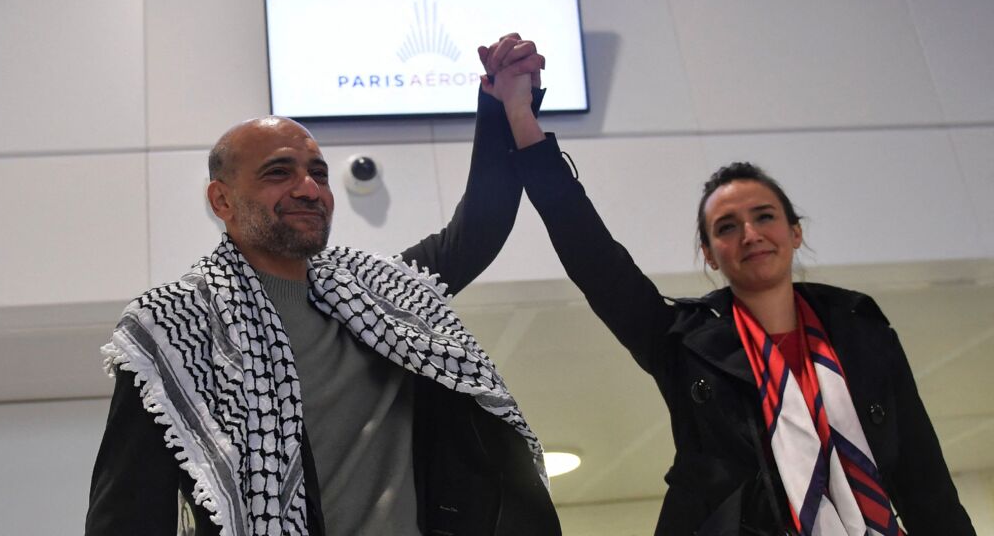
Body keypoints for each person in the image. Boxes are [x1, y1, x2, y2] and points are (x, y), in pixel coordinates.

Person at [482, 34, 974, 536]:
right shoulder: (685, 344)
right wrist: (521, 117)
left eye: (764, 216)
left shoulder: (863, 330)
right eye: (727, 227)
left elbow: (926, 483)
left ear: (795, 231)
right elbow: (593, 258)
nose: (751, 234)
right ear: (709, 252)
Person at [85, 71, 561, 535]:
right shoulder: (172, 330)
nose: (308, 189)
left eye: (318, 173)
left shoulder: (383, 297)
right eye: (279, 173)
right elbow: (126, 514)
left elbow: (480, 227)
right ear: (222, 200)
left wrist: (504, 106)